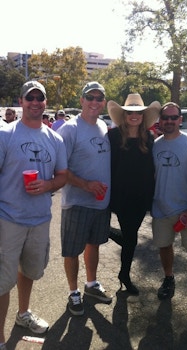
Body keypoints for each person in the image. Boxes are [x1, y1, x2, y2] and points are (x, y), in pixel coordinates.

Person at [0, 81, 68, 350]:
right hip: (8, 219)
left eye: (41, 98)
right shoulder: (6, 135)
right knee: (2, 280)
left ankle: (23, 314)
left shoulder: (55, 139)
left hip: (39, 220)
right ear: (21, 101)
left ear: (45, 102)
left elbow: (62, 176)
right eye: (31, 98)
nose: (36, 102)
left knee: (28, 271)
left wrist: (49, 185)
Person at [57, 81, 112, 317]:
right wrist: (86, 184)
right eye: (90, 97)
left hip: (100, 203)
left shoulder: (103, 125)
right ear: (81, 100)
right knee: (72, 250)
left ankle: (91, 284)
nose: (94, 102)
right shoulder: (70, 129)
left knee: (94, 244)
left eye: (99, 98)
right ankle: (73, 292)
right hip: (76, 203)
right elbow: (59, 169)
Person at [151, 102, 187, 316]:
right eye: (166, 117)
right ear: (160, 120)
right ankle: (169, 278)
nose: (170, 121)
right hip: (160, 208)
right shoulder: (154, 145)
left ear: (180, 120)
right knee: (164, 247)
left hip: (185, 210)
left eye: (174, 117)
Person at [107, 93, 161, 295]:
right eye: (130, 112)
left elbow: (152, 168)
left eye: (138, 112)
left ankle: (124, 274)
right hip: (120, 196)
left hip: (142, 197)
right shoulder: (113, 137)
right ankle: (125, 275)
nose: (134, 115)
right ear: (124, 114)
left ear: (143, 115)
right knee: (130, 237)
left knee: (131, 237)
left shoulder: (149, 137)